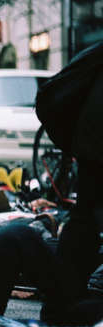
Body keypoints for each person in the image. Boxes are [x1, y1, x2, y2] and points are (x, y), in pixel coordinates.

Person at [54, 61, 103, 287]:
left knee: (85, 216)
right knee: (86, 217)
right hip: (95, 143)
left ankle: (63, 290)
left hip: (91, 141)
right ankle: (63, 290)